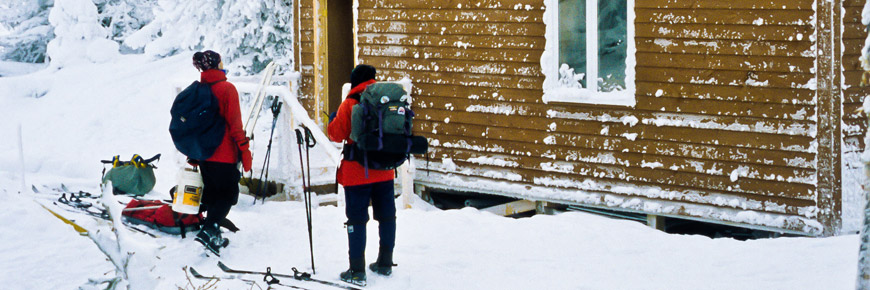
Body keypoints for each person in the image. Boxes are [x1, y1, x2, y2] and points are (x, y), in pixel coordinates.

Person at [328, 64, 396, 286]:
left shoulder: (350, 103)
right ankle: (385, 263)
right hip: (385, 169)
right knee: (386, 216)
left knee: (357, 219)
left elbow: (335, 134)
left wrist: (332, 119)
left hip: (357, 172)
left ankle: (357, 271)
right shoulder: (387, 101)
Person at [190, 50, 252, 256]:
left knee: (214, 194)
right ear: (217, 64)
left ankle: (212, 233)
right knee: (228, 196)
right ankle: (209, 230)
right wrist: (245, 151)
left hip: (204, 154)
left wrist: (193, 152)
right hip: (224, 154)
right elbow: (235, 126)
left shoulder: (198, 90)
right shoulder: (227, 89)